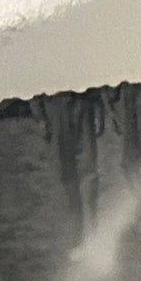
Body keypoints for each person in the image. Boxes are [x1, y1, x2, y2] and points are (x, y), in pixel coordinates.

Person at [33, 90, 104, 251]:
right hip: (55, 107)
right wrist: (40, 116)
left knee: (89, 173)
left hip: (82, 102)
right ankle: (76, 239)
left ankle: (94, 236)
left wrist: (99, 109)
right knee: (67, 176)